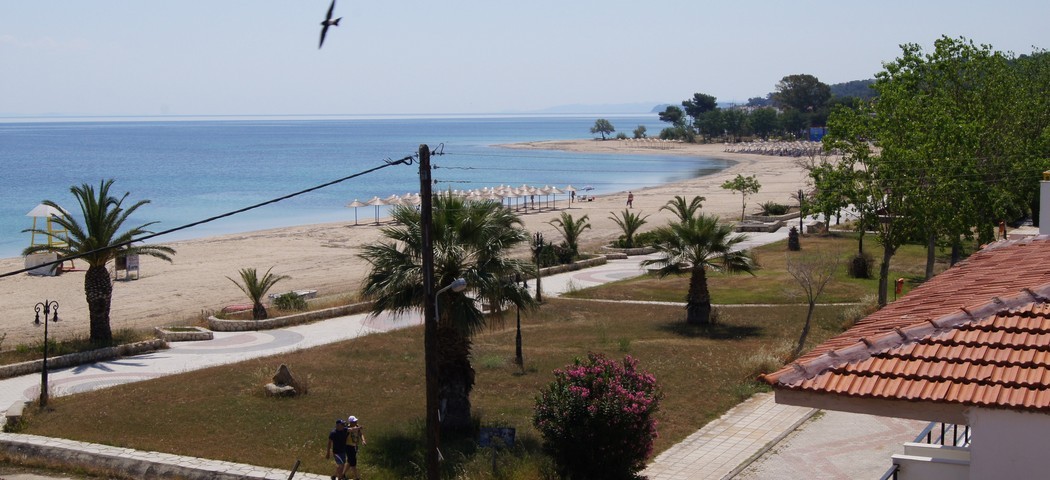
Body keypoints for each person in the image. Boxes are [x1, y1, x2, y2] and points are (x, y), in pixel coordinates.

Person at [345, 415, 367, 480]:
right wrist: (359, 428)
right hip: (348, 447)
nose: (356, 422)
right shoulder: (347, 428)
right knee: (353, 463)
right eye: (354, 421)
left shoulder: (357, 426)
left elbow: (360, 434)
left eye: (356, 421)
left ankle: (342, 474)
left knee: (350, 462)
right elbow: (351, 430)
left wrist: (363, 440)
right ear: (351, 422)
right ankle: (357, 478)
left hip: (355, 446)